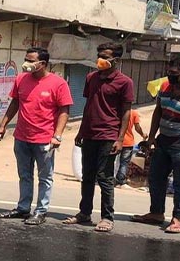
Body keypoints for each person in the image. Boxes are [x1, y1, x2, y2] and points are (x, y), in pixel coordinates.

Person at [131, 58, 180, 234]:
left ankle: (177, 218)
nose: (169, 76)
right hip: (163, 141)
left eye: (174, 74)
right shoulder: (166, 87)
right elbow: (158, 111)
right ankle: (156, 213)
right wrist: (151, 137)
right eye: (168, 72)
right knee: (156, 178)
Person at [0, 47, 72, 225]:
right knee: (24, 175)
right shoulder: (21, 79)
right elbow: (15, 103)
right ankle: (23, 208)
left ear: (42, 64)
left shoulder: (58, 84)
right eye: (26, 59)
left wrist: (57, 136)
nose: (26, 63)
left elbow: (64, 111)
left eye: (31, 61)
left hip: (44, 139)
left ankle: (41, 211)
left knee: (45, 178)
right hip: (22, 137)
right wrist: (2, 125)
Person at [64, 42, 133, 232]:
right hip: (89, 134)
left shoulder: (125, 82)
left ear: (116, 60)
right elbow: (88, 105)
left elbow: (126, 112)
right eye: (99, 56)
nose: (100, 60)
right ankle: (84, 213)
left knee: (104, 177)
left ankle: (107, 217)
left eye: (105, 56)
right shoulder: (91, 77)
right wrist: (81, 131)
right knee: (87, 176)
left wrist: (120, 139)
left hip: (109, 135)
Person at [115, 109, 148, 188]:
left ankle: (110, 179)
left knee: (113, 161)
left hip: (116, 140)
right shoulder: (133, 113)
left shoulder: (117, 110)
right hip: (128, 142)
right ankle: (120, 181)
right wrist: (142, 134)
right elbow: (137, 127)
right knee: (124, 163)